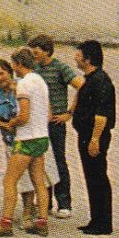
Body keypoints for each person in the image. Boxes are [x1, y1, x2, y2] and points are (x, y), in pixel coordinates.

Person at [0, 48, 52, 237]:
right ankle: (42, 221)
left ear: (18, 64)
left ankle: (5, 224)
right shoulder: (40, 81)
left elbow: (23, 116)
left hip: (26, 138)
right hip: (41, 136)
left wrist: (11, 123)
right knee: (39, 181)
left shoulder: (24, 85)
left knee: (10, 180)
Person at [28, 34, 82, 219]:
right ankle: (45, 201)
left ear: (47, 52)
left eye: (36, 53)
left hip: (55, 123)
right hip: (37, 122)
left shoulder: (59, 68)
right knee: (40, 162)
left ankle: (64, 202)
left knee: (58, 161)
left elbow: (81, 86)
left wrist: (69, 112)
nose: (34, 57)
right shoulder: (33, 70)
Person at [71, 40, 116, 236]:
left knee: (98, 177)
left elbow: (102, 114)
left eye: (79, 54)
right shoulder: (89, 79)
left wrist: (95, 139)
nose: (76, 57)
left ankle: (103, 223)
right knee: (91, 177)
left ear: (88, 58)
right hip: (85, 134)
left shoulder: (101, 81)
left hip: (94, 136)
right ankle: (95, 219)